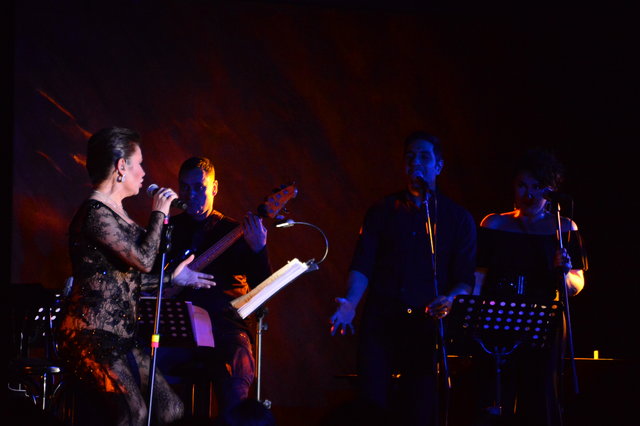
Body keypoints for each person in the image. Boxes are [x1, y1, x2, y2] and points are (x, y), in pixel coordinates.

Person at [57, 127, 215, 426]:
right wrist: (159, 213)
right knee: (133, 413)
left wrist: (172, 279)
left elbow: (124, 281)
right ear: (121, 167)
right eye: (139, 164)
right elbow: (143, 261)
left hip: (121, 336)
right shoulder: (95, 213)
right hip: (90, 335)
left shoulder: (118, 213)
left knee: (171, 409)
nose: (144, 174)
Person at [330, 131, 477, 425]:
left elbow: (464, 277)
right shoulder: (382, 211)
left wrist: (450, 299)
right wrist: (351, 302)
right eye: (410, 157)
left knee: (418, 404)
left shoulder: (457, 218)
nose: (415, 163)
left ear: (439, 165)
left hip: (425, 325)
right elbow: (363, 264)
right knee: (372, 402)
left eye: (424, 157)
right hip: (382, 319)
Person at [471, 147, 587, 426]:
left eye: (537, 187)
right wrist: (472, 316)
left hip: (544, 323)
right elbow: (478, 276)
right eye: (522, 185)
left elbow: (577, 284)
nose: (529, 194)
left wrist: (563, 273)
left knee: (539, 394)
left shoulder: (564, 227)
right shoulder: (494, 223)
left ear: (550, 190)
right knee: (496, 394)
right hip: (499, 319)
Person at [157, 156, 272, 418]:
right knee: (145, 368)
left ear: (215, 188)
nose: (191, 195)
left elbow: (261, 290)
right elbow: (150, 277)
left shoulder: (235, 232)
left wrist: (259, 250)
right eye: (185, 187)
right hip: (179, 329)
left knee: (235, 371)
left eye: (200, 187)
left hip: (225, 329)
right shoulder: (168, 229)